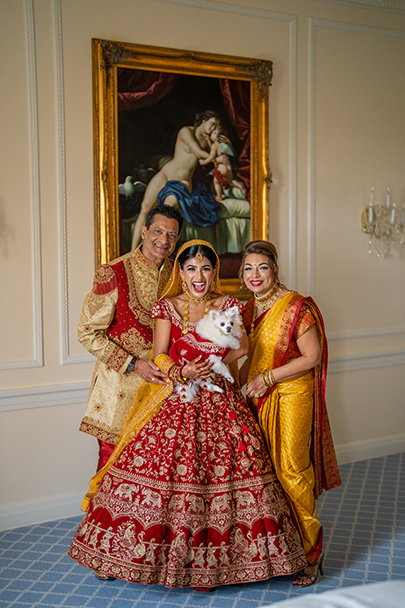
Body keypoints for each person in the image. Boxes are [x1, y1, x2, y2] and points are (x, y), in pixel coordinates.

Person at [68, 240, 308, 589]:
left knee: (225, 470)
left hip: (219, 397)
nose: (199, 276)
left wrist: (213, 364)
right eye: (192, 269)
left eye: (206, 268)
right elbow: (160, 353)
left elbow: (241, 346)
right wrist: (182, 372)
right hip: (177, 397)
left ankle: (229, 563)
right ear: (181, 272)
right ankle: (127, 557)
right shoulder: (167, 307)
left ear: (215, 273)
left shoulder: (227, 305)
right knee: (164, 469)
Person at [239, 240, 342, 587]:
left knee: (292, 469)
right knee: (263, 472)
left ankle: (311, 554)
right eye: (248, 268)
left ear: (275, 269)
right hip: (258, 396)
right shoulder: (248, 309)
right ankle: (281, 552)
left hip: (292, 395)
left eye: (262, 267)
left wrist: (267, 378)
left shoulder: (297, 306)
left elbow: (310, 357)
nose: (255, 275)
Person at [77, 205, 182, 472]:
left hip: (163, 387)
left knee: (156, 468)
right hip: (119, 387)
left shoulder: (178, 274)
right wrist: (135, 365)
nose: (164, 240)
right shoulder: (114, 272)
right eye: (158, 231)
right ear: (144, 231)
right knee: (111, 467)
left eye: (172, 235)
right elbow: (87, 332)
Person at [130, 111, 221, 250]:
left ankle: (151, 252)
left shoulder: (206, 141)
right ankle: (132, 254)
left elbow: (209, 160)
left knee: (165, 214)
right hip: (166, 174)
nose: (212, 129)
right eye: (212, 124)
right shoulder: (185, 132)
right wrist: (214, 154)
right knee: (145, 208)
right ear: (203, 120)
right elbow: (199, 153)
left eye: (215, 127)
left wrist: (214, 146)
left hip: (181, 182)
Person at [199, 127, 247, 201]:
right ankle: (240, 186)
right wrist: (208, 140)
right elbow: (214, 150)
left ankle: (219, 196)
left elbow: (211, 156)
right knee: (229, 181)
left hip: (222, 168)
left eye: (213, 133)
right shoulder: (223, 144)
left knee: (216, 181)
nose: (211, 134)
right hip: (228, 167)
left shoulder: (215, 145)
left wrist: (204, 162)